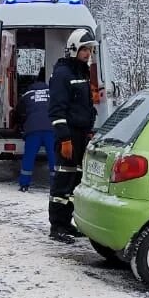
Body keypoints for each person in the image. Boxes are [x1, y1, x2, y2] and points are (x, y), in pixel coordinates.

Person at [48, 29, 99, 241]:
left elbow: (84, 107)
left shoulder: (82, 73)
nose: (87, 54)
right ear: (73, 50)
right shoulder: (62, 74)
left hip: (81, 135)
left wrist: (89, 126)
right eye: (84, 49)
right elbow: (57, 110)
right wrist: (64, 138)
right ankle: (56, 226)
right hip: (68, 135)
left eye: (90, 50)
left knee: (75, 180)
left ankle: (66, 223)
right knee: (63, 180)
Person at [13, 69, 54, 192]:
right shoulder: (52, 93)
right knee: (53, 157)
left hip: (33, 129)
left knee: (29, 156)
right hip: (50, 128)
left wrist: (21, 124)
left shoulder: (27, 94)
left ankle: (24, 184)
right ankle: (56, 184)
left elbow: (19, 111)